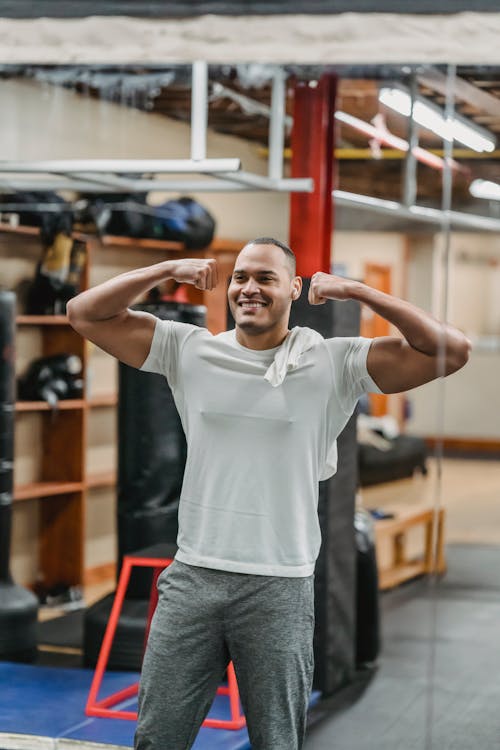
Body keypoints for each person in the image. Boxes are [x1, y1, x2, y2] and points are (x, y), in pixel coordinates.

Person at [67, 237, 470, 750]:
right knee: (156, 738)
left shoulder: (334, 364)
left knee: (277, 742)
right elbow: (83, 313)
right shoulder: (188, 350)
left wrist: (358, 290)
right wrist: (168, 268)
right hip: (193, 577)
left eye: (265, 278)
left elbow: (450, 351)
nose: (249, 289)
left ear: (294, 289)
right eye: (240, 277)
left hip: (279, 586)